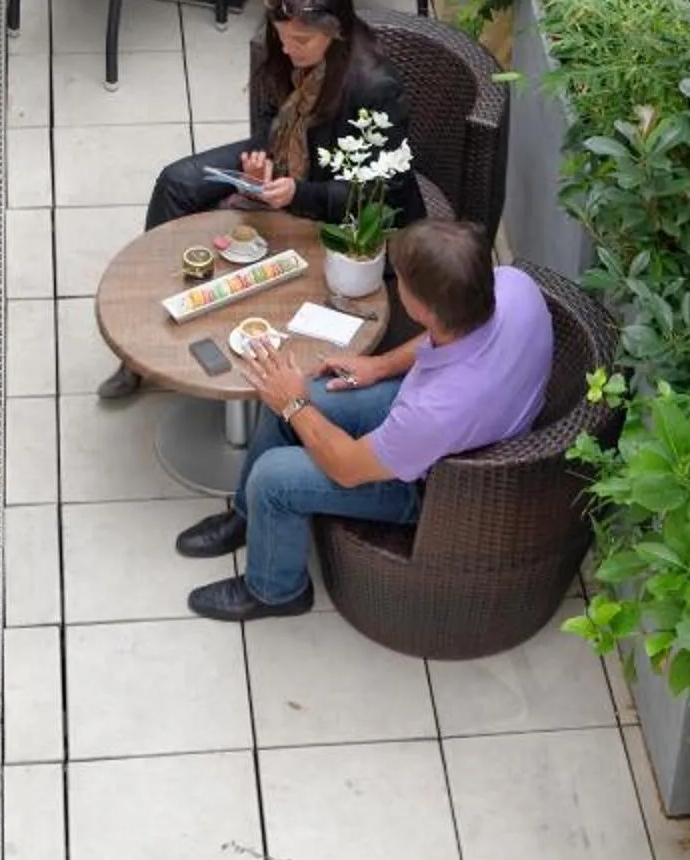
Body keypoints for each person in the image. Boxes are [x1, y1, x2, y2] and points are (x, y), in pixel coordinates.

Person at [179, 219, 556, 622]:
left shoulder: (433, 414)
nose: (397, 285)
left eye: (403, 281)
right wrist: (381, 365)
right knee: (306, 397)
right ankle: (248, 518)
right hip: (447, 413)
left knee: (274, 475)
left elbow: (347, 468)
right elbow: (448, 333)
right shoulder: (515, 287)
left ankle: (276, 591)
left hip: (434, 482)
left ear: (422, 309)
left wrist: (292, 404)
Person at [97, 0, 425, 401]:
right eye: (283, 37)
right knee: (177, 181)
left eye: (301, 41)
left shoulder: (374, 87)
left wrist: (298, 191)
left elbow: (383, 192)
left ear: (337, 32)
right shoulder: (283, 46)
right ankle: (138, 353)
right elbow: (272, 117)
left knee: (284, 265)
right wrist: (261, 163)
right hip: (287, 162)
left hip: (341, 191)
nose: (288, 49)